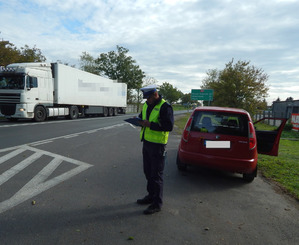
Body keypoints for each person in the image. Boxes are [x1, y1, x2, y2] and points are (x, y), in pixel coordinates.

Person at [137, 85, 174, 215]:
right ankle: (150, 196)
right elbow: (141, 117)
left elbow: (169, 126)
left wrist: (150, 125)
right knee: (147, 172)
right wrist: (138, 121)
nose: (147, 100)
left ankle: (157, 203)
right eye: (146, 98)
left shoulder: (165, 107)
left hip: (158, 146)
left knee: (156, 175)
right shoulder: (146, 105)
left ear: (155, 94)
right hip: (147, 143)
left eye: (149, 98)